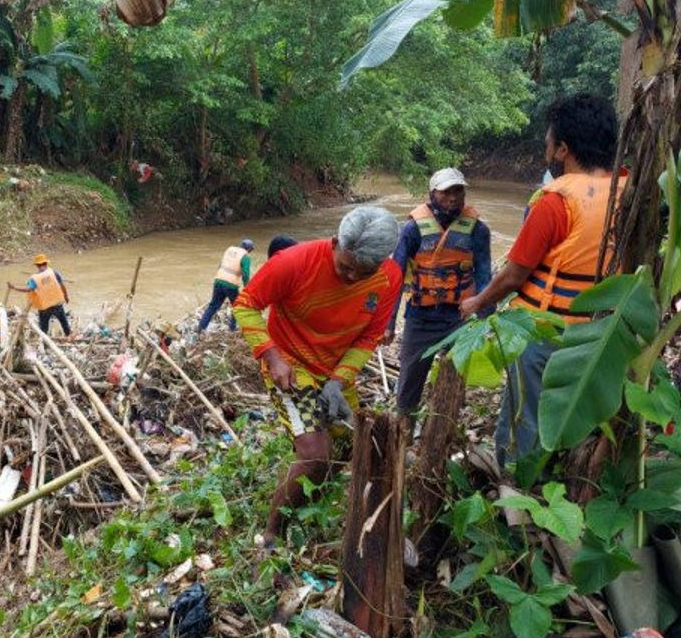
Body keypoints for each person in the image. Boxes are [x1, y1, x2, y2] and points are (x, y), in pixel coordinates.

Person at [460, 93, 622, 464]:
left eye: (548, 144)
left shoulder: (554, 202)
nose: (546, 151)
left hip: (545, 329)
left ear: (563, 149)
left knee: (525, 413)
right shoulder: (628, 190)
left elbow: (515, 274)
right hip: (602, 330)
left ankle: (515, 483)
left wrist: (477, 302)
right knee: (581, 409)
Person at [233, 206, 401, 546]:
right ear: (336, 242)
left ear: (382, 262)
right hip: (290, 365)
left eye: (363, 272)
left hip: (337, 370)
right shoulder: (295, 262)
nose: (352, 277)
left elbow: (370, 337)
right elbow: (246, 304)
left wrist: (338, 382)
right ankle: (270, 535)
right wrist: (273, 357)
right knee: (314, 453)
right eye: (345, 267)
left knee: (352, 445)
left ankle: (308, 501)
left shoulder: (390, 278)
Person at [385, 167, 492, 416]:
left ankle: (444, 424)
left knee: (453, 382)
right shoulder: (411, 230)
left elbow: (484, 274)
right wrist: (388, 322)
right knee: (409, 382)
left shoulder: (478, 230)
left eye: (458, 191)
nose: (453, 197)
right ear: (432, 194)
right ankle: (403, 430)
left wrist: (487, 315)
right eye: (446, 192)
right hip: (420, 318)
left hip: (460, 317)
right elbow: (395, 277)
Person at [197, 239, 255, 333]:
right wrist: (247, 289)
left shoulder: (229, 250)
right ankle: (232, 328)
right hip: (231, 285)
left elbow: (221, 265)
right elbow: (245, 275)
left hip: (218, 280)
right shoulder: (245, 256)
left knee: (213, 306)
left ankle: (201, 327)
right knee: (237, 306)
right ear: (250, 249)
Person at [8, 254, 71, 337]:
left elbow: (28, 289)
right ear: (46, 263)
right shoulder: (54, 273)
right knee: (64, 324)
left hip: (44, 306)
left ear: (37, 266)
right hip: (57, 304)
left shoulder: (35, 278)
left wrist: (14, 287)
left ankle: (45, 344)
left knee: (43, 329)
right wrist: (66, 297)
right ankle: (69, 336)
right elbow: (62, 286)